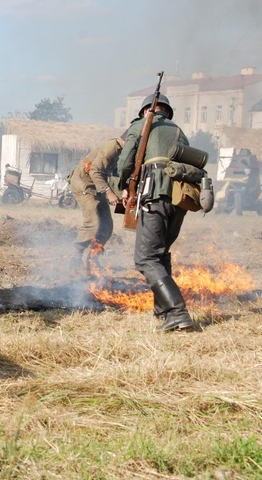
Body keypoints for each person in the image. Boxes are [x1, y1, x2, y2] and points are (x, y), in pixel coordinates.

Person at [117, 93, 193, 331]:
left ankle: (177, 312)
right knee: (160, 254)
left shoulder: (140, 126)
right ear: (168, 112)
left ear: (144, 112)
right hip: (180, 199)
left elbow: (125, 161)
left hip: (154, 195)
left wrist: (124, 186)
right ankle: (162, 312)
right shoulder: (180, 131)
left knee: (146, 258)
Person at [68, 138, 124, 271]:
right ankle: (75, 257)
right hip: (84, 183)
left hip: (98, 185)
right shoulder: (112, 147)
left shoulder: (125, 152)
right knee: (93, 222)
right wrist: (109, 193)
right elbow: (95, 171)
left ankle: (92, 259)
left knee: (107, 225)